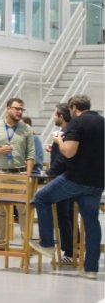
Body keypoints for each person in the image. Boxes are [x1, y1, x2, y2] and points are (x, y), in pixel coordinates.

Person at [31, 94, 104, 280]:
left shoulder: (77, 122)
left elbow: (69, 152)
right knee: (91, 222)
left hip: (75, 178)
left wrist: (58, 142)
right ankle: (91, 269)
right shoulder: (102, 122)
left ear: (73, 108)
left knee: (41, 198)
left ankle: (47, 244)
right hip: (97, 181)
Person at [0, 97, 34, 244]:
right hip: (0, 173)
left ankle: (26, 244)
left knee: (23, 210)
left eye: (21, 109)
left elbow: (31, 154)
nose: (19, 112)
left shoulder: (26, 129)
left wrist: (28, 174)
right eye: (17, 109)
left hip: (20, 174)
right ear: (7, 109)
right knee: (0, 209)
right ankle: (0, 241)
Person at [44, 104, 74, 264]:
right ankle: (72, 250)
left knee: (64, 215)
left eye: (55, 114)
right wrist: (54, 148)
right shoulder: (69, 132)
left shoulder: (66, 133)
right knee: (68, 214)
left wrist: (50, 172)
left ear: (61, 116)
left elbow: (63, 159)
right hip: (68, 178)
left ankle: (69, 252)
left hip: (62, 179)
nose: (53, 117)